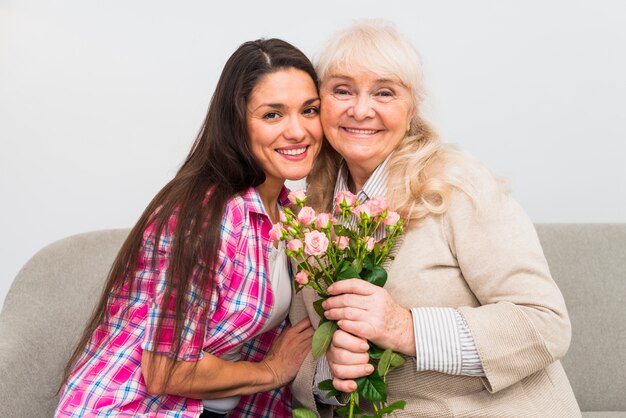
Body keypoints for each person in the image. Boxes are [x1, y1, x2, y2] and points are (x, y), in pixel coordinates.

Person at [289, 20, 581, 417]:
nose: (360, 109)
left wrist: (406, 328)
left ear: (412, 109)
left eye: (384, 92)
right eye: (342, 90)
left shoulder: (457, 185)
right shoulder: (306, 215)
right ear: (320, 102)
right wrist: (331, 369)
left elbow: (545, 324)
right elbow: (298, 352)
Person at [56, 38, 321, 417]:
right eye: (272, 115)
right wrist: (270, 371)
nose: (297, 131)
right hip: (130, 408)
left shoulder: (291, 216)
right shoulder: (206, 216)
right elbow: (166, 369)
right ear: (237, 124)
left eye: (309, 111)